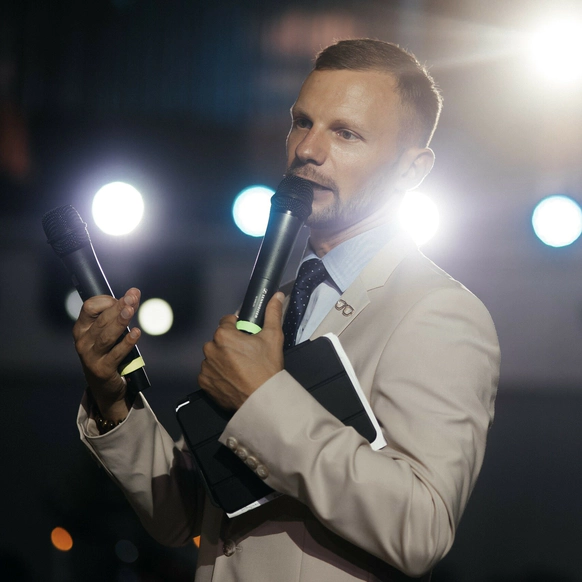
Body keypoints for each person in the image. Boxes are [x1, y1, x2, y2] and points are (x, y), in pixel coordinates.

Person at [74, 39, 500, 581]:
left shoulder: (437, 312)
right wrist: (112, 400)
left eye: (345, 133)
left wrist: (262, 398)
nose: (308, 149)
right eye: (302, 122)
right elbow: (185, 515)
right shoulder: (280, 298)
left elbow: (422, 528)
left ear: (411, 169)